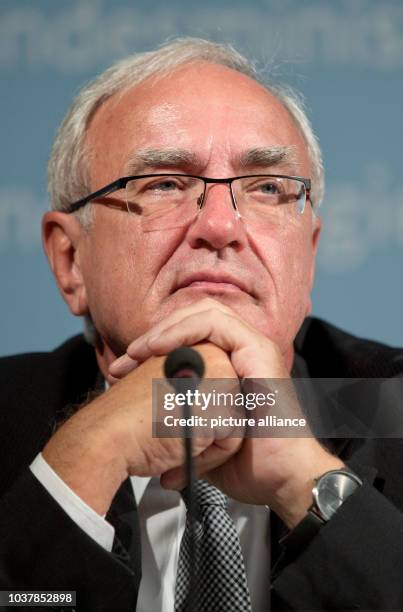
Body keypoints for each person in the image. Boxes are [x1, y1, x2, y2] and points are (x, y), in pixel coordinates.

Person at [1, 37, 403, 612]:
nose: (220, 224)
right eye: (165, 183)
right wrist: (87, 453)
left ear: (308, 258)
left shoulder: (392, 405)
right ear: (71, 262)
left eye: (266, 187)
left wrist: (306, 485)